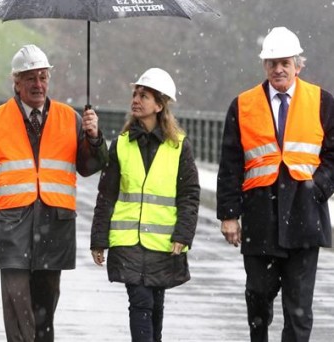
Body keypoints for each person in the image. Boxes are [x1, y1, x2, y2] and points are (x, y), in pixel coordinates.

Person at [0, 44, 108, 342]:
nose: (38, 85)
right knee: (18, 304)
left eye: (43, 77)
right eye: (30, 78)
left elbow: (89, 166)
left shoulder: (71, 118)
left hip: (55, 225)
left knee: (45, 307)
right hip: (12, 225)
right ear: (16, 82)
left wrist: (94, 138)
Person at [217, 26, 334, 342]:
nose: (278, 69)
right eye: (272, 63)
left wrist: (318, 188)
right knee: (258, 298)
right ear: (264, 65)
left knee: (299, 310)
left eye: (285, 62)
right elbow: (230, 164)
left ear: (299, 64)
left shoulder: (323, 101)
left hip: (305, 216)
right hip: (260, 217)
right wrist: (229, 214)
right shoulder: (242, 105)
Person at [90, 68, 200, 342]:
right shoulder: (121, 145)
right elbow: (106, 195)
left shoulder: (179, 147)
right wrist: (98, 239)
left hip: (162, 243)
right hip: (127, 241)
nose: (136, 100)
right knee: (140, 301)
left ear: (160, 105)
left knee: (155, 304)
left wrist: (183, 234)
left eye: (144, 95)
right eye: (135, 94)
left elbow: (189, 194)